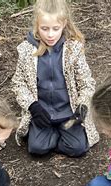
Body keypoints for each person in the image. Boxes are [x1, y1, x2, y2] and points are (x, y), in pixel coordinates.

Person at [11, 0, 99, 157]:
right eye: (44, 29)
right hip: (42, 113)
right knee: (37, 149)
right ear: (37, 25)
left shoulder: (73, 49)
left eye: (55, 29)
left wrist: (83, 105)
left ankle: (59, 133)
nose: (50, 34)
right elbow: (18, 83)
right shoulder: (26, 50)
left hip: (68, 113)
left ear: (64, 24)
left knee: (78, 148)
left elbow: (87, 83)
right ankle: (49, 132)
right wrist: (33, 106)